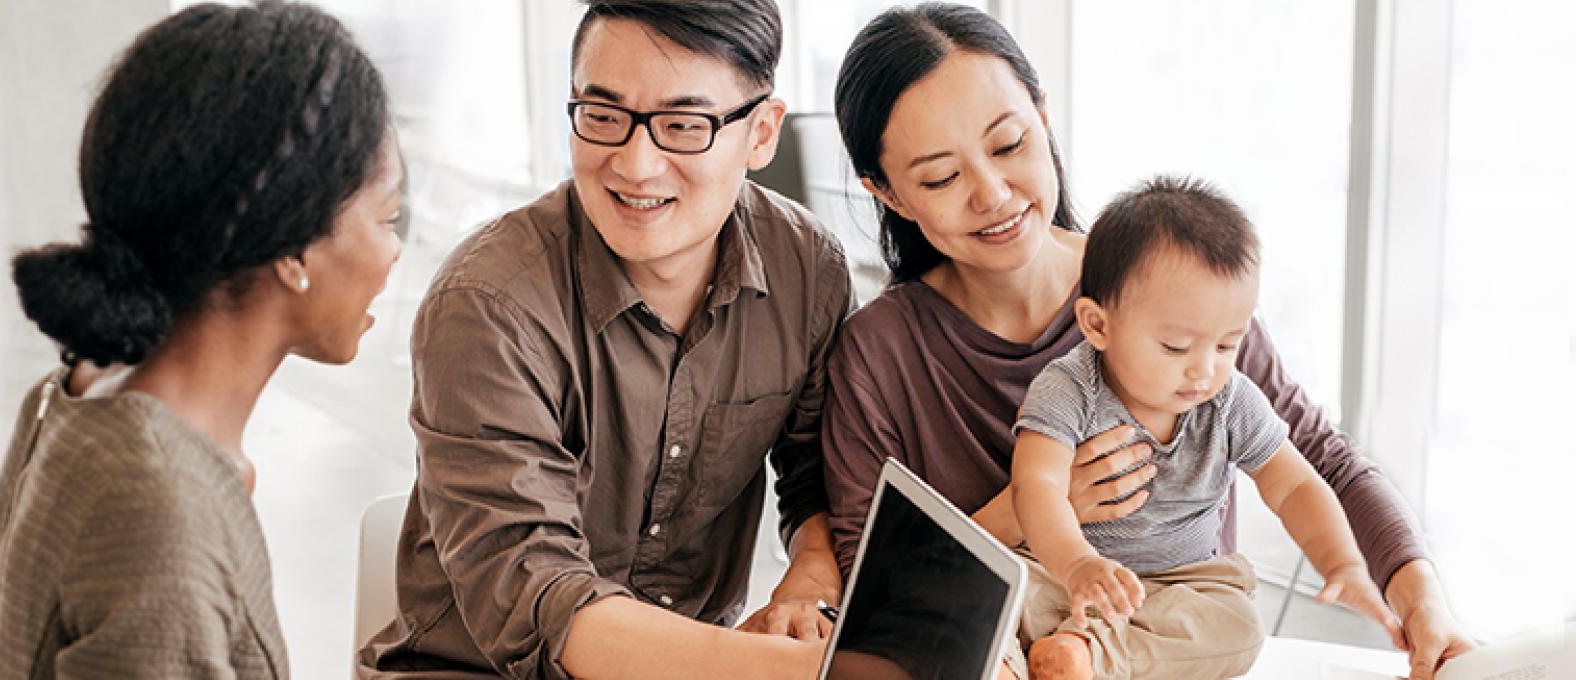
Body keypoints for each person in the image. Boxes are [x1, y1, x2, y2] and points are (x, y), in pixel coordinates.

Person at [819, 4, 1475, 680]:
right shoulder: (879, 353)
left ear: (1043, 118)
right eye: (941, 178)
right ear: (888, 193)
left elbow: (1323, 463)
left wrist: (1421, 597)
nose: (992, 194)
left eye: (1009, 144)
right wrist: (1036, 507)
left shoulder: (1172, 294)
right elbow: (877, 589)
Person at [357, 1, 851, 678]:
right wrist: (778, 669)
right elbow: (539, 598)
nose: (636, 164)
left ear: (761, 133)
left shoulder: (808, 270)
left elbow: (815, 472)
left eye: (683, 125)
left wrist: (811, 577)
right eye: (603, 115)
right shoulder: (489, 305)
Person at [0, 3, 403, 677]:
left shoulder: (84, 390)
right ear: (294, 250)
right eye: (388, 216)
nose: (394, 252)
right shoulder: (157, 511)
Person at [1006, 177, 1400, 679]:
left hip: (1181, 586)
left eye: (1225, 345)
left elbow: (1295, 483)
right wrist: (1078, 564)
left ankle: (1087, 656)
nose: (1204, 370)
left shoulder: (1231, 400)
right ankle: (1023, 660)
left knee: (1238, 627)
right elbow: (1035, 486)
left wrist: (1341, 561)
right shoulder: (1068, 388)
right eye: (1176, 347)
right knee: (1012, 584)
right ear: (1097, 325)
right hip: (1067, 571)